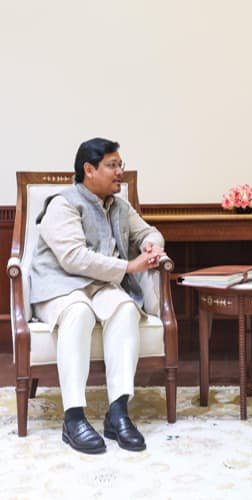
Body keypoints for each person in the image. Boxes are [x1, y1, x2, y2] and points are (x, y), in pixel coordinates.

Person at [30, 138, 166, 454]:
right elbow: (73, 258)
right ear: (89, 170)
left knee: (126, 308)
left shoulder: (119, 206)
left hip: (101, 286)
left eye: (120, 164)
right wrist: (129, 266)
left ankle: (118, 413)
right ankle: (73, 417)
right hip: (60, 286)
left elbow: (149, 231)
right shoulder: (63, 204)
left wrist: (151, 245)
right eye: (112, 165)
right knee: (78, 312)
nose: (120, 172)